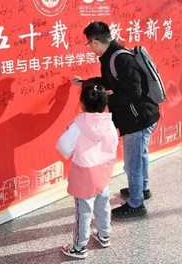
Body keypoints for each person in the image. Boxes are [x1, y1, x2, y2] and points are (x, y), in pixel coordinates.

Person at [71, 21, 160, 218]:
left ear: (94, 42)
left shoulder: (120, 58)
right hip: (141, 116)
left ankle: (136, 204)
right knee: (140, 156)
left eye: (88, 43)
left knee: (133, 163)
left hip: (138, 119)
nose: (89, 47)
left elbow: (134, 93)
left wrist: (105, 99)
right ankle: (142, 189)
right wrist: (85, 83)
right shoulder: (111, 56)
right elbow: (109, 81)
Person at [57, 83, 119, 259]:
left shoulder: (78, 125)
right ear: (104, 103)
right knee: (103, 205)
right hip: (103, 172)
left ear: (82, 104)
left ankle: (79, 247)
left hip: (84, 175)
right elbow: (114, 144)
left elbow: (63, 147)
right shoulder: (109, 122)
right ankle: (104, 235)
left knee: (83, 212)